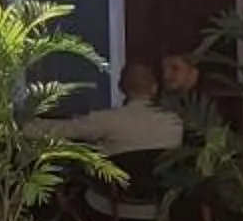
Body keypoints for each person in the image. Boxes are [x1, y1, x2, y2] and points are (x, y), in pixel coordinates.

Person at [45, 58, 183, 153]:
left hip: (113, 194)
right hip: (159, 195)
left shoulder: (107, 120)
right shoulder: (174, 123)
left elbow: (62, 130)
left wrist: (26, 126)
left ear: (121, 87)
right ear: (154, 88)